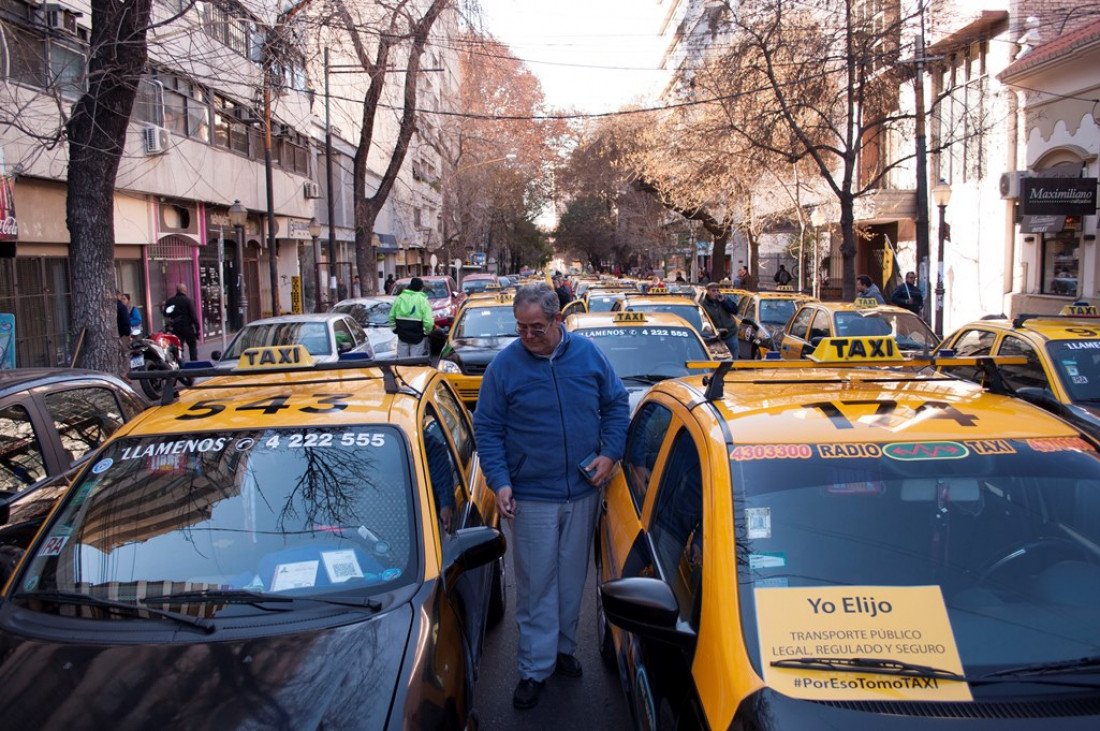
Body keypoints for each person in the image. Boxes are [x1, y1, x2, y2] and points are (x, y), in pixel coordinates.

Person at [473, 283, 629, 710]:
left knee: (571, 580)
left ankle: (563, 651)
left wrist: (610, 454)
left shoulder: (589, 355)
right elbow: (487, 430)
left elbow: (616, 405)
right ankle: (533, 668)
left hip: (583, 491)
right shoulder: (503, 368)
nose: (527, 336)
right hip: (531, 497)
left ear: (558, 320)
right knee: (536, 584)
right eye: (521, 327)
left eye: (536, 327)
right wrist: (500, 480)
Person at [388, 276, 433, 356]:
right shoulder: (423, 301)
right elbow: (429, 323)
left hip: (402, 336)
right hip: (417, 337)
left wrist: (394, 329)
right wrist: (426, 333)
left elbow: (391, 316)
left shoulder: (400, 298)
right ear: (421, 288)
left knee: (402, 363)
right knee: (415, 363)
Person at [701, 280, 740, 358]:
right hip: (716, 337)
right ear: (708, 292)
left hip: (731, 333)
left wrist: (724, 302)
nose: (716, 292)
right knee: (720, 358)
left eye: (717, 290)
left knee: (734, 358)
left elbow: (735, 311)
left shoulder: (724, 299)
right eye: (713, 290)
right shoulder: (704, 305)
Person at [162, 283, 200, 362]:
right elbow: (193, 315)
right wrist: (197, 327)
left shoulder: (170, 301)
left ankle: (180, 363)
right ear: (185, 291)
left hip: (176, 327)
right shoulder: (188, 301)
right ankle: (194, 364)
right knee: (192, 346)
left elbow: (165, 313)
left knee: (178, 347)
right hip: (187, 327)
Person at [116, 291, 131, 373]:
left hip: (114, 334)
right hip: (122, 334)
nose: (122, 300)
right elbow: (126, 321)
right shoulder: (121, 307)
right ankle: (124, 373)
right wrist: (127, 333)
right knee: (125, 354)